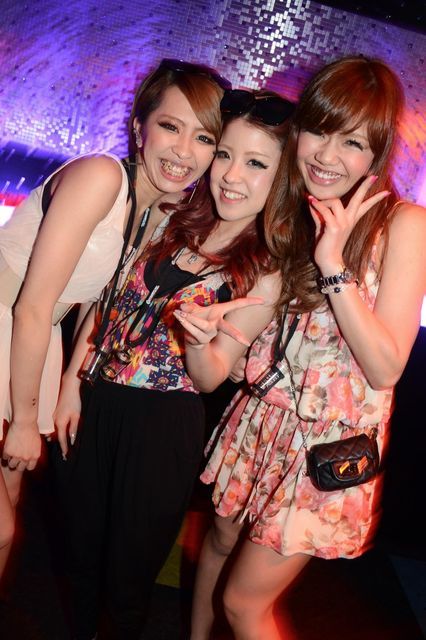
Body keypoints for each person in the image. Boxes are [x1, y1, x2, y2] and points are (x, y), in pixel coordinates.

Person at [177, 56, 426, 640]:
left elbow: (386, 367)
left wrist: (333, 264)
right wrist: (212, 335)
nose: (326, 156)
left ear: (377, 153)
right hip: (260, 423)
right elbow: (244, 340)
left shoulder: (403, 224)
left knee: (244, 604)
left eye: (353, 143)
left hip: (326, 448)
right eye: (318, 131)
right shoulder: (289, 216)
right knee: (216, 543)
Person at [54, 87, 294, 640]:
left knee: (127, 582)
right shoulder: (169, 214)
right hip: (96, 398)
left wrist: (198, 341)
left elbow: (210, 378)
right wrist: (71, 382)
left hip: (162, 427)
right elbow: (107, 301)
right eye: (225, 154)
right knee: (77, 558)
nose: (231, 175)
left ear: (281, 178)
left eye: (256, 163)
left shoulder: (265, 270)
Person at [0, 57, 230, 590]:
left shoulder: (155, 212)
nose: (184, 151)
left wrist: (71, 383)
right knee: (4, 529)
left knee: (11, 497)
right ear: (138, 126)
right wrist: (29, 419)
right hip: (15, 323)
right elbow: (32, 306)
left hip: (30, 343)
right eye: (170, 126)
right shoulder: (100, 177)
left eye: (203, 138)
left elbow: (96, 303)